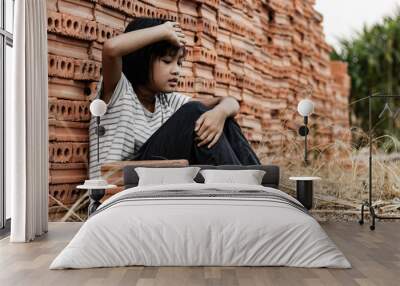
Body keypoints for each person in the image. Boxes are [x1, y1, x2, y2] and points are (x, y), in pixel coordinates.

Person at [88, 17, 260, 179]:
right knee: (195, 112)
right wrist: (164, 31)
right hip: (118, 190)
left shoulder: (166, 101)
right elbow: (110, 49)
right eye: (167, 61)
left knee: (221, 119)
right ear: (141, 59)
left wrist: (221, 113)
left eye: (179, 63)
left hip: (149, 181)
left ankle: (263, 189)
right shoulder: (119, 91)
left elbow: (230, 102)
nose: (176, 70)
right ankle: (246, 192)